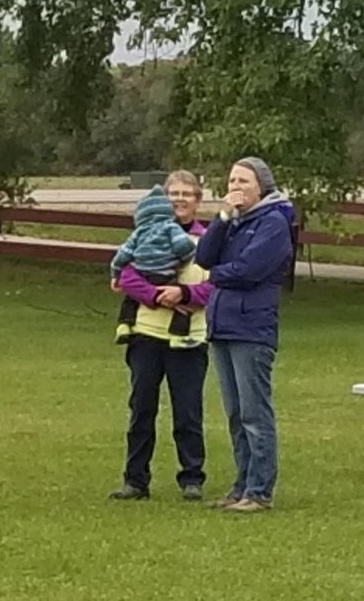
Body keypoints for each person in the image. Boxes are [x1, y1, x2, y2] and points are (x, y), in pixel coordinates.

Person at [182, 157, 295, 512]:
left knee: (254, 413)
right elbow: (203, 256)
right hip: (223, 325)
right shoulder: (236, 222)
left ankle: (259, 490)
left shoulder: (273, 222)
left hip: (252, 328)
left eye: (243, 181)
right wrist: (221, 218)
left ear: (262, 186)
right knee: (234, 413)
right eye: (231, 181)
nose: (235, 187)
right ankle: (241, 486)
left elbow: (248, 270)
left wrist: (216, 276)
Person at [109, 169, 209, 501]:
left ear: (198, 200)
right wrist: (156, 296)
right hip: (146, 335)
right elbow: (126, 275)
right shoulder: (145, 233)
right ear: (162, 199)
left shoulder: (207, 240)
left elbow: (217, 283)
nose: (179, 199)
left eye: (186, 194)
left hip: (189, 339)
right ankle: (135, 480)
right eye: (173, 193)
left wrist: (186, 295)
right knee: (141, 408)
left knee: (188, 410)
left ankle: (192, 477)